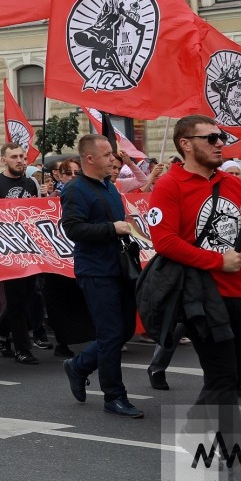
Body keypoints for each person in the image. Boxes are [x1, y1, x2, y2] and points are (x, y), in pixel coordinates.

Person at [148, 117, 241, 414]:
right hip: (201, 295)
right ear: (186, 144)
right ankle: (221, 447)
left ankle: (202, 434)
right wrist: (217, 261)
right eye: (211, 138)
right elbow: (164, 241)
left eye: (221, 138)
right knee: (221, 375)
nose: (220, 143)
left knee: (233, 375)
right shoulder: (169, 185)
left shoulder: (232, 183)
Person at [59, 133, 143, 418]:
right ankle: (114, 396)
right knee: (110, 334)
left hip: (119, 268)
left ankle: (79, 365)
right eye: (107, 155)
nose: (113, 159)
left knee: (125, 331)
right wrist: (112, 228)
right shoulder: (75, 190)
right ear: (90, 159)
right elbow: (73, 229)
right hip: (96, 272)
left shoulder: (109, 186)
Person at [0, 144, 41, 364]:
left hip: (30, 247)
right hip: (8, 249)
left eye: (22, 157)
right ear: (3, 160)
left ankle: (0, 332)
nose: (20, 160)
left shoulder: (30, 183)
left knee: (26, 295)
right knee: (15, 300)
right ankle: (22, 349)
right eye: (14, 157)